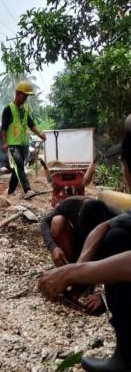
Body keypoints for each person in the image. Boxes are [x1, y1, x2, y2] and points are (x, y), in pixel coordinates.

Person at [39, 114, 131, 372]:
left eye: (124, 164)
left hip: (93, 264)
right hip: (85, 260)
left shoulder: (106, 206)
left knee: (117, 240)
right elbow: (107, 225)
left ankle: (127, 359)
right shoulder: (73, 206)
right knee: (114, 233)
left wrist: (76, 275)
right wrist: (77, 267)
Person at [41, 196, 117, 313]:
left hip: (99, 257)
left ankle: (84, 281)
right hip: (77, 251)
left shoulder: (113, 215)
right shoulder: (71, 204)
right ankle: (69, 278)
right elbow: (44, 222)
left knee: (114, 238)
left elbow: (121, 261)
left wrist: (105, 296)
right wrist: (53, 248)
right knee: (57, 221)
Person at [1, 81, 47, 197]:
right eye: (25, 96)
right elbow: (4, 128)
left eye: (27, 96)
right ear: (18, 94)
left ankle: (10, 191)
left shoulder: (25, 110)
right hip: (12, 144)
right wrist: (5, 143)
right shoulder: (8, 109)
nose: (26, 98)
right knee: (20, 165)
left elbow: (31, 125)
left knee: (18, 168)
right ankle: (27, 190)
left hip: (24, 143)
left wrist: (40, 133)